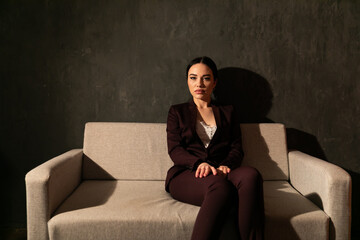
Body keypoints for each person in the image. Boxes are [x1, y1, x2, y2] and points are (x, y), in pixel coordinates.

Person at [165, 56, 264, 240]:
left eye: (206, 78)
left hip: (221, 170)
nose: (199, 83)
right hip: (187, 173)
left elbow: (236, 147)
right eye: (193, 77)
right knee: (220, 187)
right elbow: (175, 150)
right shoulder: (177, 112)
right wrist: (198, 163)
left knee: (251, 175)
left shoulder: (228, 112)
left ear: (215, 82)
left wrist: (226, 165)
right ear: (187, 80)